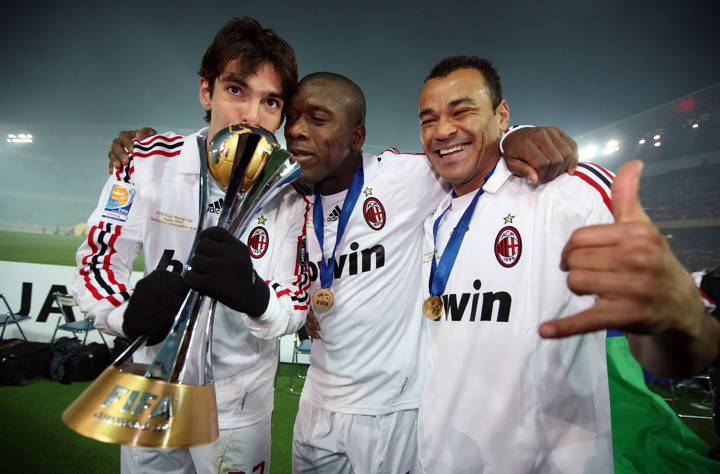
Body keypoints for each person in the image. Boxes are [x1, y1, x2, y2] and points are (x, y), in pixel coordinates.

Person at [110, 72, 578, 472]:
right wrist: (142, 147)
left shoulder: (407, 178)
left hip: (391, 412)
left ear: (356, 137)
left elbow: (465, 153)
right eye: (292, 118)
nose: (296, 131)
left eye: (318, 119)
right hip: (315, 406)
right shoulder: (282, 194)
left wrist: (516, 133)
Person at [415, 55, 718, 473]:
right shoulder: (431, 215)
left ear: (502, 114)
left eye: (462, 110)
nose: (443, 130)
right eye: (428, 119)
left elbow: (681, 346)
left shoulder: (566, 192)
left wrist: (677, 324)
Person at [73, 17, 309, 474]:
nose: (251, 116)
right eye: (236, 90)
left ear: (281, 114)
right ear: (207, 91)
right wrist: (125, 314)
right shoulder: (146, 160)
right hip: (150, 381)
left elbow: (295, 303)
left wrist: (257, 298)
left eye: (270, 101)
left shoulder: (292, 190)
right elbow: (97, 261)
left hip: (237, 399)